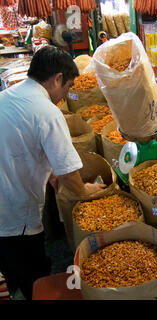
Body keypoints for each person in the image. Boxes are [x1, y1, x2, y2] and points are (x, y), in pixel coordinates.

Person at [0, 46, 106, 300]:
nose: (65, 95)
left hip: (4, 208)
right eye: (68, 86)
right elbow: (71, 177)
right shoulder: (47, 111)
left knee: (10, 266)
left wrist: (48, 171)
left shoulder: (7, 96)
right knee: (34, 274)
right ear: (57, 78)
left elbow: (20, 144)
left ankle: (16, 288)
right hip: (16, 215)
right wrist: (85, 190)